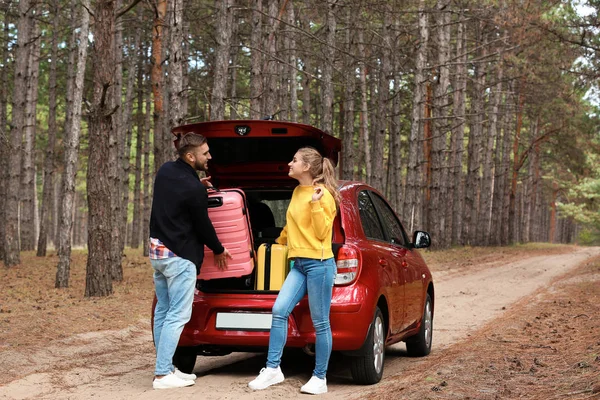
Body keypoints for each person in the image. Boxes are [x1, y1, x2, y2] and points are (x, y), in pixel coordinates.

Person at [248, 147, 340, 395]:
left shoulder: (325, 196)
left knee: (321, 323)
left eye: (294, 161)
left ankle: (319, 378)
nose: (289, 163)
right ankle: (273, 369)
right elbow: (291, 226)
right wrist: (276, 244)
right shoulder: (298, 191)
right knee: (279, 310)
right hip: (298, 263)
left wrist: (317, 204)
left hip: (320, 264)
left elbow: (322, 233)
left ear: (307, 167)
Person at [149, 132, 232, 390]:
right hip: (180, 258)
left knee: (163, 312)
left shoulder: (166, 171)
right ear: (190, 156)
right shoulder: (193, 187)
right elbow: (203, 225)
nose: (210, 157)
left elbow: (179, 196)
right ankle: (163, 374)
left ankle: (167, 367)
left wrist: (199, 186)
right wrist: (218, 249)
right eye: (205, 153)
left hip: (158, 254)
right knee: (177, 315)